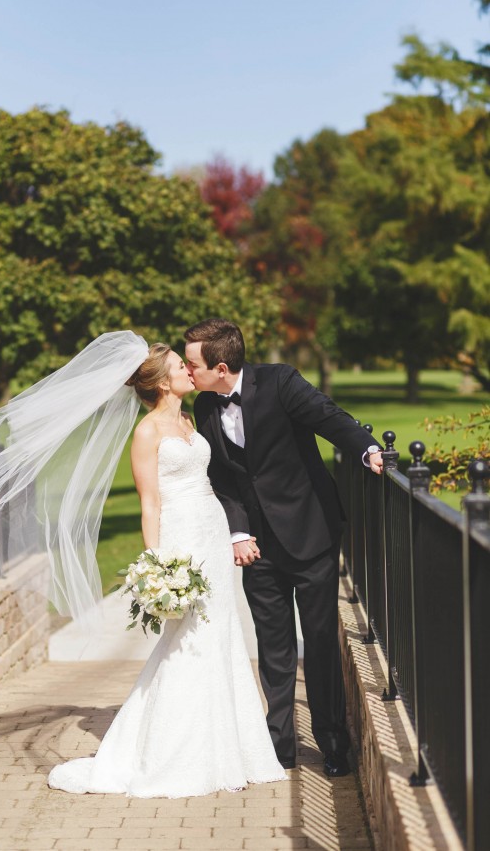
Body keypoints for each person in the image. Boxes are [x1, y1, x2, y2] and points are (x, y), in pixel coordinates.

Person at [48, 342, 287, 796]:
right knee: (189, 640)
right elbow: (150, 503)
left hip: (212, 533)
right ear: (162, 382)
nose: (189, 370)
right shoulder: (147, 431)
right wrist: (156, 564)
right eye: (181, 365)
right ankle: (177, 753)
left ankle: (231, 748)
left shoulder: (189, 419)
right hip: (181, 539)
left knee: (220, 635)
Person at [184, 318, 383, 777]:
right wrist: (238, 531)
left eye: (192, 364)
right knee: (273, 649)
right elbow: (223, 479)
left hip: (311, 533)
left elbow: (328, 417)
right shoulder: (205, 407)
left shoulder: (280, 382)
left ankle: (334, 744)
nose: (188, 371)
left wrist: (366, 448)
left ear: (219, 365)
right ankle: (280, 750)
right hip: (258, 547)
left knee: (319, 643)